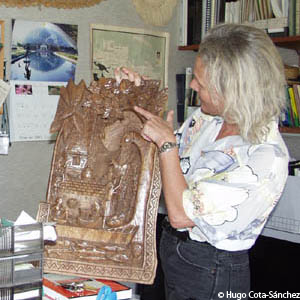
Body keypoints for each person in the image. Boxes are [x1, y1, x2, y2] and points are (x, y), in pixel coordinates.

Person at [115, 23, 289, 300]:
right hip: (174, 251)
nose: (193, 86)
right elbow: (164, 165)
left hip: (211, 269)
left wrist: (168, 144)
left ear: (234, 91)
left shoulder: (265, 157)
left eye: (202, 84)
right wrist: (137, 98)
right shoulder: (207, 119)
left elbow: (182, 215)